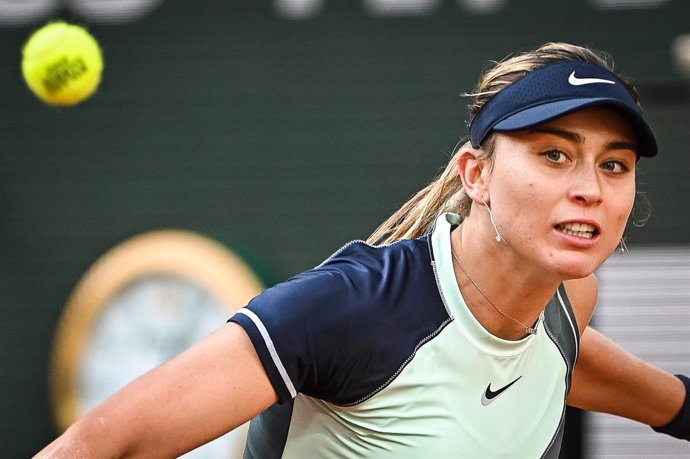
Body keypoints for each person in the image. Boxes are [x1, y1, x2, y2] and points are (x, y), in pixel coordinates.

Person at [35, 42, 689, 458]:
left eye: (614, 165)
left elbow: (642, 393)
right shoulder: (352, 311)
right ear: (476, 175)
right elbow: (97, 446)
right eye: (554, 154)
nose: (590, 190)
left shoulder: (566, 304)